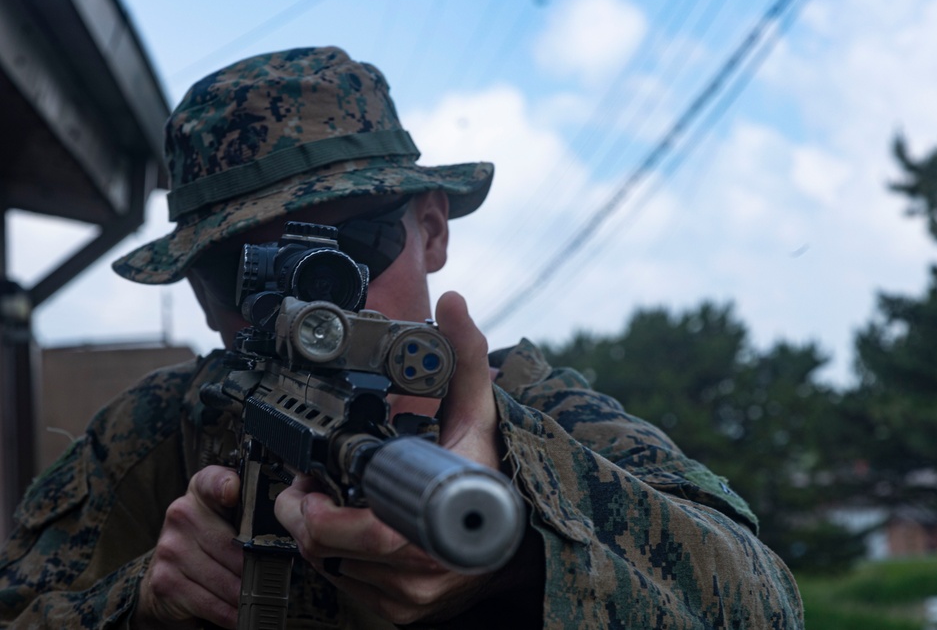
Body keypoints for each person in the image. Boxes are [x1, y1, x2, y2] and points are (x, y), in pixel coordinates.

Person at [0, 46, 803, 629]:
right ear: (206, 300)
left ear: (431, 231)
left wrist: (525, 547)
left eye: (347, 251)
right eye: (240, 270)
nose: (296, 306)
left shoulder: (539, 413)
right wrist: (137, 603)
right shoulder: (152, 436)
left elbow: (764, 603)